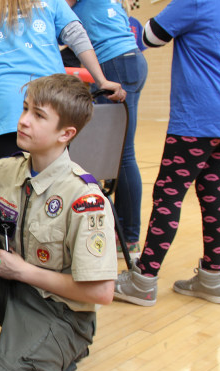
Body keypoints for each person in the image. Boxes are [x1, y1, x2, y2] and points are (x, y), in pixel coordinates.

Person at [0, 73, 115, 371]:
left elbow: (100, 291)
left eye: (39, 115)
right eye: (25, 109)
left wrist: (24, 271)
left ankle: (63, 359)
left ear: (66, 134)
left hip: (60, 314)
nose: (23, 120)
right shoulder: (5, 171)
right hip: (13, 292)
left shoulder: (85, 198)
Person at [114, 0, 220, 306]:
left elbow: (149, 37)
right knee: (213, 191)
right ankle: (212, 278)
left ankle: (143, 280)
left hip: (198, 116)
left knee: (168, 194)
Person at [0, 0, 125, 164]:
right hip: (50, 104)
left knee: (10, 188)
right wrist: (101, 80)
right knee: (52, 185)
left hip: (4, 107)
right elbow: (76, 35)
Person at [66, 0, 148, 259]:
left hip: (115, 61)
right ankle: (123, 230)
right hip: (128, 59)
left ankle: (130, 238)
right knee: (119, 152)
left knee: (121, 154)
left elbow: (61, 11)